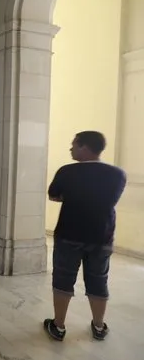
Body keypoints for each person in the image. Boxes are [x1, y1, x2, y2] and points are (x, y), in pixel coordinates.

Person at [44, 131, 126, 341]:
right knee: (99, 280)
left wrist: (72, 196)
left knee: (63, 278)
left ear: (84, 147)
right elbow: (110, 199)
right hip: (102, 236)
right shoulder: (118, 174)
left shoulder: (67, 171)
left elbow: (53, 195)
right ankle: (98, 326)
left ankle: (59, 326)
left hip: (69, 235)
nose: (71, 148)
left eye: (74, 145)